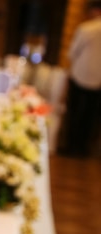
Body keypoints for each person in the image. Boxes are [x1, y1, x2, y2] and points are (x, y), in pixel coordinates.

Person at [58, 0, 101, 157]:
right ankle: (83, 149)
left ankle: (71, 147)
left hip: (80, 75)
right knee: (90, 117)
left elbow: (72, 53)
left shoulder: (86, 28)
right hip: (98, 80)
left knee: (74, 113)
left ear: (94, 11)